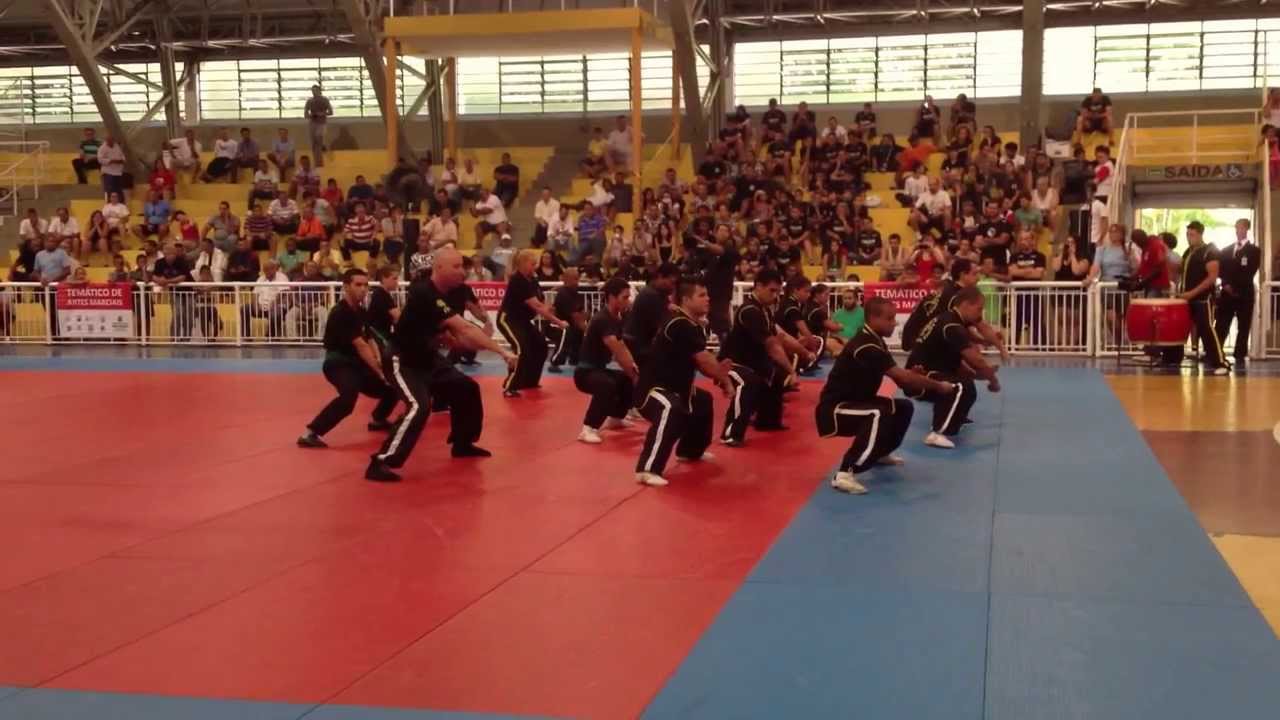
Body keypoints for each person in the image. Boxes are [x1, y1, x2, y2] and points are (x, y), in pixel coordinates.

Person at [367, 249, 518, 481]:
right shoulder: (423, 291)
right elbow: (464, 328)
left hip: (428, 356)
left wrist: (464, 342)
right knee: (419, 406)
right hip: (403, 359)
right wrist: (502, 352)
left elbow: (455, 333)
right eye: (456, 267)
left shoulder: (456, 292)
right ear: (439, 269)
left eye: (462, 266)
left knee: (466, 388)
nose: (462, 271)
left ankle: (462, 443)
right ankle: (381, 461)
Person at [817, 297, 957, 494]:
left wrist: (915, 377)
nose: (895, 322)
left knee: (903, 408)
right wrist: (939, 386)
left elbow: (902, 381)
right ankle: (844, 473)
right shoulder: (866, 345)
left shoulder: (877, 341)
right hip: (835, 409)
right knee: (878, 413)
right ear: (873, 319)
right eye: (890, 318)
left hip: (857, 402)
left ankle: (880, 453)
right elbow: (902, 377)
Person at [634, 278, 734, 487]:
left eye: (707, 294)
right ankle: (647, 469)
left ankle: (690, 451)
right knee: (670, 408)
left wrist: (719, 374)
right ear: (687, 300)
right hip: (652, 390)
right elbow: (704, 360)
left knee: (702, 401)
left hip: (677, 389)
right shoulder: (680, 323)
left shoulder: (690, 324)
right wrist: (724, 379)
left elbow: (700, 361)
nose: (708, 299)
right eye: (702, 295)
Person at [297, 268, 399, 449]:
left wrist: (381, 365)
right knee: (348, 398)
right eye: (358, 285)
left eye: (365, 285)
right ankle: (310, 433)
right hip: (338, 364)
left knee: (393, 384)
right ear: (346, 287)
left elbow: (369, 339)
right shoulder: (341, 312)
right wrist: (378, 370)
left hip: (357, 364)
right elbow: (361, 345)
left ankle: (378, 419)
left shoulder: (361, 311)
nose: (363, 289)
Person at [719, 269, 815, 447]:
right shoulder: (749, 310)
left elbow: (783, 337)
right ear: (758, 286)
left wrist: (805, 352)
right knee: (750, 381)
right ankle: (730, 434)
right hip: (731, 363)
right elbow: (772, 345)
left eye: (777, 291)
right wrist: (791, 370)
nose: (775, 295)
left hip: (752, 363)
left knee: (775, 376)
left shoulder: (765, 311)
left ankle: (767, 422)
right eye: (771, 290)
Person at [905, 287, 1000, 449]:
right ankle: (937, 433)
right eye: (979, 308)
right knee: (961, 386)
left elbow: (963, 367)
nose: (980, 314)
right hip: (918, 378)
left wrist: (983, 376)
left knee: (967, 386)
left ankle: (953, 420)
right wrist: (993, 380)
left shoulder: (951, 321)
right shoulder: (951, 325)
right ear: (965, 305)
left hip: (930, 373)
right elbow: (975, 359)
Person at [575, 277, 640, 444]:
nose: (628, 301)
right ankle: (588, 429)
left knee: (625, 380)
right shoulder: (603, 319)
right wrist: (635, 374)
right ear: (612, 297)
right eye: (624, 297)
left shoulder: (616, 317)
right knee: (607, 385)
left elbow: (622, 346)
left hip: (599, 369)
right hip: (585, 373)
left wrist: (633, 371)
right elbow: (617, 350)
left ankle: (616, 418)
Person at [497, 249, 567, 397]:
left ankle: (529, 381)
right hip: (508, 320)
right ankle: (510, 386)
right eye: (532, 263)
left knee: (540, 345)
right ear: (522, 264)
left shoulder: (533, 280)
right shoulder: (518, 280)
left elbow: (541, 302)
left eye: (535, 263)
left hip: (522, 321)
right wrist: (558, 322)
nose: (535, 266)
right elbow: (536, 305)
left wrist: (550, 308)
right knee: (521, 349)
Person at [1179, 220, 1229, 374]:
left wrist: (1192, 293)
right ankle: (1173, 357)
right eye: (1187, 234)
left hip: (1203, 298)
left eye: (1192, 235)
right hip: (1188, 298)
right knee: (1183, 328)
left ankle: (1221, 363)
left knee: (1207, 329)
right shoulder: (1188, 252)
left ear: (1200, 234)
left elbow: (1212, 277)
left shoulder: (1210, 251)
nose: (1189, 237)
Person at [1215, 218, 1261, 364]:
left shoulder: (1254, 251)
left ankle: (1240, 354)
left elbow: (1250, 271)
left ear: (1246, 229)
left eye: (1240, 227)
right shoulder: (1226, 250)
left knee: (1243, 325)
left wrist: (1236, 288)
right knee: (1222, 323)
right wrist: (1226, 284)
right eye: (1236, 227)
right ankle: (1216, 351)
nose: (1238, 230)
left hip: (1244, 292)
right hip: (1226, 293)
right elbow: (1220, 270)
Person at [623, 262, 679, 377]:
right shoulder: (651, 296)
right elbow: (664, 328)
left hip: (641, 345)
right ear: (659, 277)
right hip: (640, 348)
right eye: (671, 282)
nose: (673, 287)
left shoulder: (658, 294)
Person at [546, 267, 586, 373]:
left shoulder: (576, 293)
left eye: (578, 279)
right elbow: (577, 316)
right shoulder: (564, 294)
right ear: (566, 279)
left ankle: (575, 359)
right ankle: (555, 362)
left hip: (569, 324)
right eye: (575, 279)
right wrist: (590, 330)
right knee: (566, 331)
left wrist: (585, 325)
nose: (577, 282)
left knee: (578, 331)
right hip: (555, 325)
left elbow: (583, 314)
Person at [304, 85, 333, 167]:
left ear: (319, 91)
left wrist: (321, 114)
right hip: (313, 123)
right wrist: (310, 115)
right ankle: (316, 162)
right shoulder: (310, 101)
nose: (314, 92)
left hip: (321, 123)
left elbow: (331, 112)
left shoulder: (325, 100)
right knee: (314, 143)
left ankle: (320, 162)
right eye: (313, 91)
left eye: (316, 90)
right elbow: (306, 113)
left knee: (319, 139)